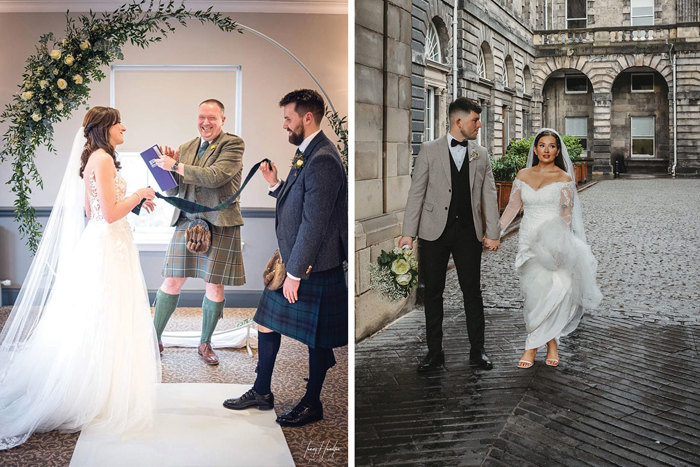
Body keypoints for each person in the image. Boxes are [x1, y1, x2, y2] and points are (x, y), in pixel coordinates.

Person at [0, 107, 161, 450]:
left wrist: (131, 204)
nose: (124, 127)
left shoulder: (98, 159)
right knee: (105, 316)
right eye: (119, 123)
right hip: (108, 247)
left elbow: (95, 210)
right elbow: (108, 212)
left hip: (106, 243)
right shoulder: (101, 159)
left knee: (102, 315)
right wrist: (142, 194)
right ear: (105, 128)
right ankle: (94, 392)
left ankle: (102, 384)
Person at [223, 89, 348, 428]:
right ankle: (262, 391)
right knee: (266, 320)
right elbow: (303, 202)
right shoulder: (306, 152)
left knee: (316, 337)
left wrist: (295, 272)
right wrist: (275, 183)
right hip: (297, 261)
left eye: (288, 118)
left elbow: (315, 222)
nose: (284, 125)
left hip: (313, 266)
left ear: (308, 118)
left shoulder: (323, 157)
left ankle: (312, 403)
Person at [399, 97, 500, 372]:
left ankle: (478, 351)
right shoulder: (429, 150)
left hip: (469, 234)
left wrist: (493, 233)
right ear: (458, 122)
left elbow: (489, 196)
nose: (479, 125)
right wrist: (408, 233)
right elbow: (416, 194)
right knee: (433, 293)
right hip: (433, 232)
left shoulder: (481, 154)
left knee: (472, 293)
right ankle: (434, 353)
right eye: (475, 120)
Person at [499, 128, 602, 368]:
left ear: (557, 151)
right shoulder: (523, 175)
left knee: (555, 291)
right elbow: (512, 209)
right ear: (535, 149)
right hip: (528, 240)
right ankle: (549, 342)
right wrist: (496, 233)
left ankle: (534, 346)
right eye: (542, 145)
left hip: (553, 240)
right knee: (534, 295)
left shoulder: (564, 178)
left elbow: (566, 214)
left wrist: (560, 244)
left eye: (552, 146)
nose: (546, 150)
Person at [153, 99, 245, 365]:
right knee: (172, 280)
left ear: (223, 120)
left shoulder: (233, 144)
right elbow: (174, 190)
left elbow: (216, 176)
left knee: (214, 284)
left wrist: (176, 166)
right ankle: (153, 338)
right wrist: (164, 172)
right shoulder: (187, 147)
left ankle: (205, 343)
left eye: (212, 118)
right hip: (187, 220)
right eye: (202, 117)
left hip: (219, 222)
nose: (206, 122)